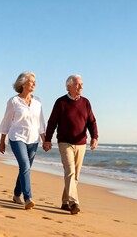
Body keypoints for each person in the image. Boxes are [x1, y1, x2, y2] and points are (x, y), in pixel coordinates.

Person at [43, 74, 98, 215]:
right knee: (70, 172)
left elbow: (91, 121)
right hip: (65, 142)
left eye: (82, 84)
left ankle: (65, 202)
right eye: (78, 84)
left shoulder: (86, 102)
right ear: (69, 87)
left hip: (81, 143)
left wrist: (94, 137)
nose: (81, 87)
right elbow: (52, 122)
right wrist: (47, 139)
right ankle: (74, 202)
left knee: (76, 175)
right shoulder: (60, 102)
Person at [0, 71, 46, 210]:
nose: (34, 83)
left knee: (25, 168)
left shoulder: (37, 101)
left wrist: (45, 139)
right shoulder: (13, 101)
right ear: (23, 84)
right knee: (25, 165)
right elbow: (6, 122)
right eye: (31, 81)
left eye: (34, 81)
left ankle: (16, 194)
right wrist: (2, 140)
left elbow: (41, 122)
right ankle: (28, 198)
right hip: (17, 137)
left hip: (33, 139)